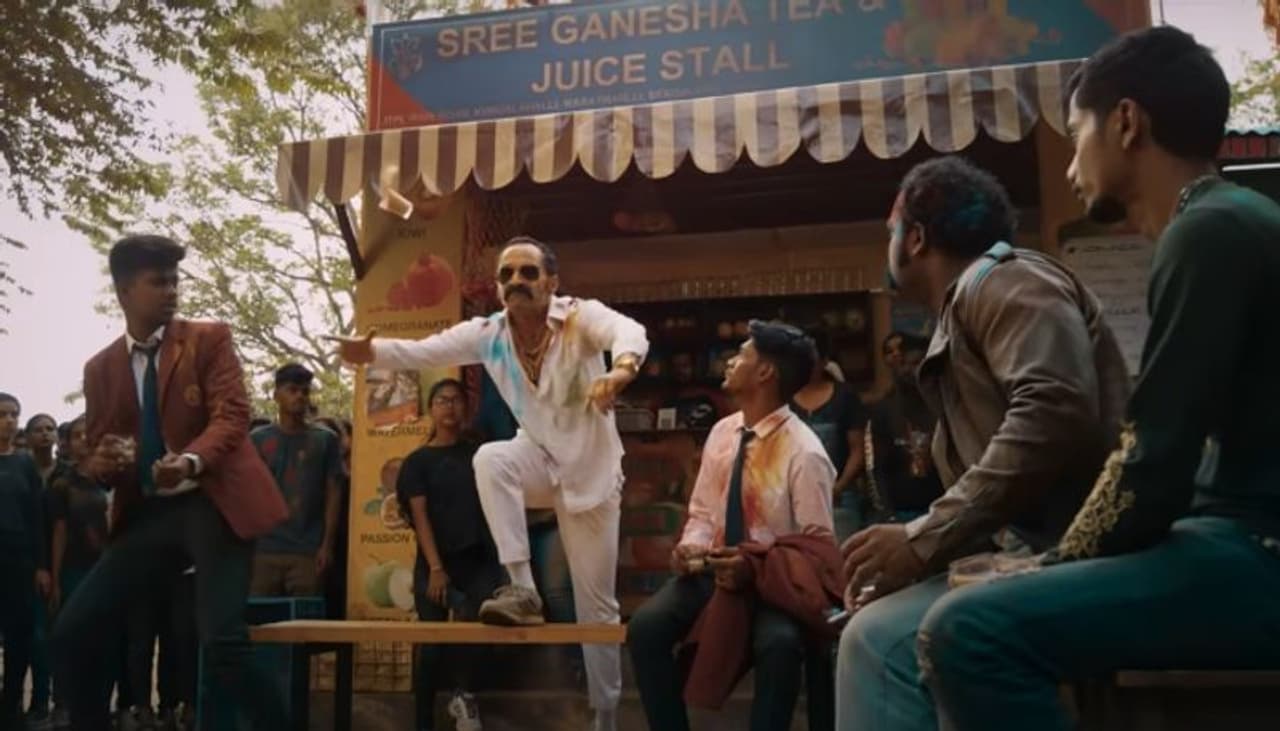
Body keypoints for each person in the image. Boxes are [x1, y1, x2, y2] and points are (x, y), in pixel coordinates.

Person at [918, 27, 1280, 730]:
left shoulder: (1209, 233)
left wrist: (1055, 563)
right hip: (1235, 537)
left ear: (1126, 122)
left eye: (1077, 130)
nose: (1071, 164)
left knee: (966, 629)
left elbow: (1154, 457)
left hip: (1259, 552)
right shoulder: (1227, 220)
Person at [834, 156, 1131, 731]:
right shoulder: (969, 303)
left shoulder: (1003, 279)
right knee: (878, 625)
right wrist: (921, 561)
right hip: (1036, 558)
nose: (887, 244)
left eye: (891, 230)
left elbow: (1051, 410)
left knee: (878, 643)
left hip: (1074, 559)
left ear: (915, 239)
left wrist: (923, 538)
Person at [332, 235, 648, 731]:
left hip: (591, 479)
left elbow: (628, 331)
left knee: (597, 611)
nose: (516, 282)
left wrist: (621, 371)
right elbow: (424, 350)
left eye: (528, 272)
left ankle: (604, 716)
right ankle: (522, 590)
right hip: (539, 460)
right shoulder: (490, 334)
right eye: (507, 275)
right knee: (492, 459)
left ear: (552, 282)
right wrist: (369, 350)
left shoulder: (578, 317)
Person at [52, 234, 290, 731]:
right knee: (75, 628)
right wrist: (105, 459)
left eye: (174, 280)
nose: (171, 290)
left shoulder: (208, 339)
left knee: (222, 644)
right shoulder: (101, 369)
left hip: (214, 502)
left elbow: (232, 416)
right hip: (150, 513)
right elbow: (99, 449)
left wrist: (188, 461)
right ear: (124, 291)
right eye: (158, 282)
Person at [627, 320, 838, 731]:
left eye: (741, 354)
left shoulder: (805, 452)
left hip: (772, 585)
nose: (729, 361)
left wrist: (754, 566)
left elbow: (818, 551)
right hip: (714, 574)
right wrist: (691, 547)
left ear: (765, 372)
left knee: (779, 646)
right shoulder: (723, 432)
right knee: (645, 629)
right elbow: (703, 512)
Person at [397, 379, 507, 731]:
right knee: (431, 647)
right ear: (431, 409)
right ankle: (422, 722)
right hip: (434, 564)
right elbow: (419, 517)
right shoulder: (417, 462)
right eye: (442, 400)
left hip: (477, 561)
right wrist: (435, 568)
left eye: (457, 400)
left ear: (466, 408)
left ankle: (465, 699)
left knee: (477, 635)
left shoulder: (480, 455)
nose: (450, 407)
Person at [250, 363, 343, 597]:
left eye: (305, 391)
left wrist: (327, 545)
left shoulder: (325, 440)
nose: (300, 396)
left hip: (308, 549)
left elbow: (334, 494)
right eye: (292, 390)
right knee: (261, 616)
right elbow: (246, 493)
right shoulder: (257, 440)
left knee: (306, 617)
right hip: (264, 549)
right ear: (276, 395)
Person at [46, 416, 107, 731]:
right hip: (73, 569)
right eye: (78, 435)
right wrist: (56, 579)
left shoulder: (110, 479)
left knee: (104, 642)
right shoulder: (63, 484)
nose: (85, 440)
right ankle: (64, 705)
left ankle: (100, 708)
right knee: (69, 636)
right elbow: (59, 532)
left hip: (108, 570)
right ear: (68, 443)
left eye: (89, 434)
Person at [0, 392, 51, 729]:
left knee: (18, 639)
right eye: (2, 414)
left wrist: (42, 566)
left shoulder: (24, 465)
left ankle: (10, 706)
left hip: (19, 564)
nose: (9, 420)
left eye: (14, 414)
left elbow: (37, 519)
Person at [791, 328, 868, 541]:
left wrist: (838, 487)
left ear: (824, 361)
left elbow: (857, 450)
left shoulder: (845, 396)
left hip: (840, 500)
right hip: (796, 500)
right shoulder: (784, 398)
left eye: (811, 360)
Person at [865, 332, 942, 523]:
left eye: (917, 363)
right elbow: (876, 470)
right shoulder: (883, 410)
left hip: (944, 512)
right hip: (900, 514)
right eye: (904, 364)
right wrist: (888, 516)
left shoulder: (947, 408)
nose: (910, 370)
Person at [23, 413, 59, 727]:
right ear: (28, 436)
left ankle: (57, 703)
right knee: (31, 637)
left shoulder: (66, 472)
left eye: (50, 429)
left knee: (52, 635)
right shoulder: (20, 470)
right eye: (38, 430)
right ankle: (35, 701)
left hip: (61, 563)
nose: (45, 434)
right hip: (23, 564)